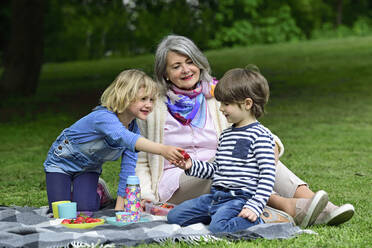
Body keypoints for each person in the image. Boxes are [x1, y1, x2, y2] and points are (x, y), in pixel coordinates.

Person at [135, 35, 354, 227]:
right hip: (180, 181)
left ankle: (321, 205)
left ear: (200, 63)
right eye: (176, 66)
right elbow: (142, 158)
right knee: (231, 165)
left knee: (259, 155)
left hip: (225, 168)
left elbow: (248, 126)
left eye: (190, 62)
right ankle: (288, 205)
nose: (186, 70)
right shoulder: (153, 107)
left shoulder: (217, 98)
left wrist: (273, 144)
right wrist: (145, 195)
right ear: (164, 73)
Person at [167, 66, 329, 232]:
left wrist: (255, 206)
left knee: (219, 229)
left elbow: (267, 177)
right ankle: (219, 216)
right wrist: (191, 166)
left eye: (226, 104)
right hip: (215, 197)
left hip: (240, 200)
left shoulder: (261, 136)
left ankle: (267, 218)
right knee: (174, 217)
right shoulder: (226, 135)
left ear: (247, 104)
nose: (221, 108)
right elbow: (217, 170)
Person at [43, 69, 184, 212]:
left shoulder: (133, 129)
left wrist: (118, 209)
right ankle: (71, 191)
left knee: (85, 210)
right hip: (61, 164)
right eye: (143, 99)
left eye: (151, 100)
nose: (149, 104)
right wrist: (163, 150)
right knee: (60, 212)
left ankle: (98, 193)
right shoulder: (103, 118)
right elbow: (124, 137)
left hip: (89, 169)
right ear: (125, 96)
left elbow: (127, 171)